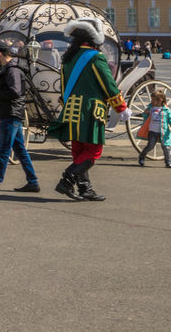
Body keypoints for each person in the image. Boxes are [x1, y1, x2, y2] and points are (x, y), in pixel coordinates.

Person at [46, 17, 131, 201]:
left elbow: (64, 86)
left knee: (79, 150)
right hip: (91, 111)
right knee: (93, 151)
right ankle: (66, 180)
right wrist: (121, 108)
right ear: (95, 39)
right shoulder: (96, 58)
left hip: (71, 109)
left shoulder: (68, 58)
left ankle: (85, 189)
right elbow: (109, 85)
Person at [0, 41, 39, 193]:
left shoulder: (12, 70)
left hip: (10, 113)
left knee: (3, 150)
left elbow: (15, 91)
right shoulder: (12, 68)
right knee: (20, 150)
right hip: (12, 112)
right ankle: (33, 181)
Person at [136, 89, 171, 169]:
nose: (151, 101)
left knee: (166, 147)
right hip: (152, 131)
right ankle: (142, 156)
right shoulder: (151, 108)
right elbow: (145, 117)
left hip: (164, 132)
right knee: (150, 146)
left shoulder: (166, 110)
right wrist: (145, 113)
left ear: (160, 100)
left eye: (153, 100)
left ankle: (168, 162)